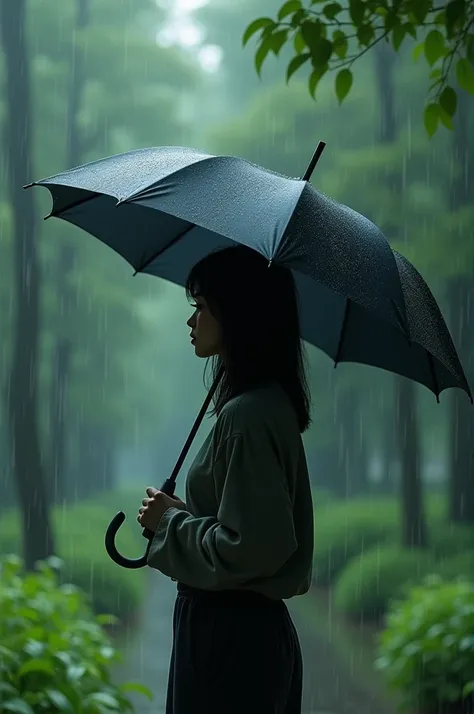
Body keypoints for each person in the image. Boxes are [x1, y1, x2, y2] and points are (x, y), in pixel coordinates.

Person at [137, 244, 314, 714]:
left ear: (235, 314)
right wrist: (180, 517)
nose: (191, 322)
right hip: (241, 637)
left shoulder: (249, 415)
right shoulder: (263, 406)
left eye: (200, 307)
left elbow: (254, 547)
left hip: (229, 641)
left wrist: (170, 524)